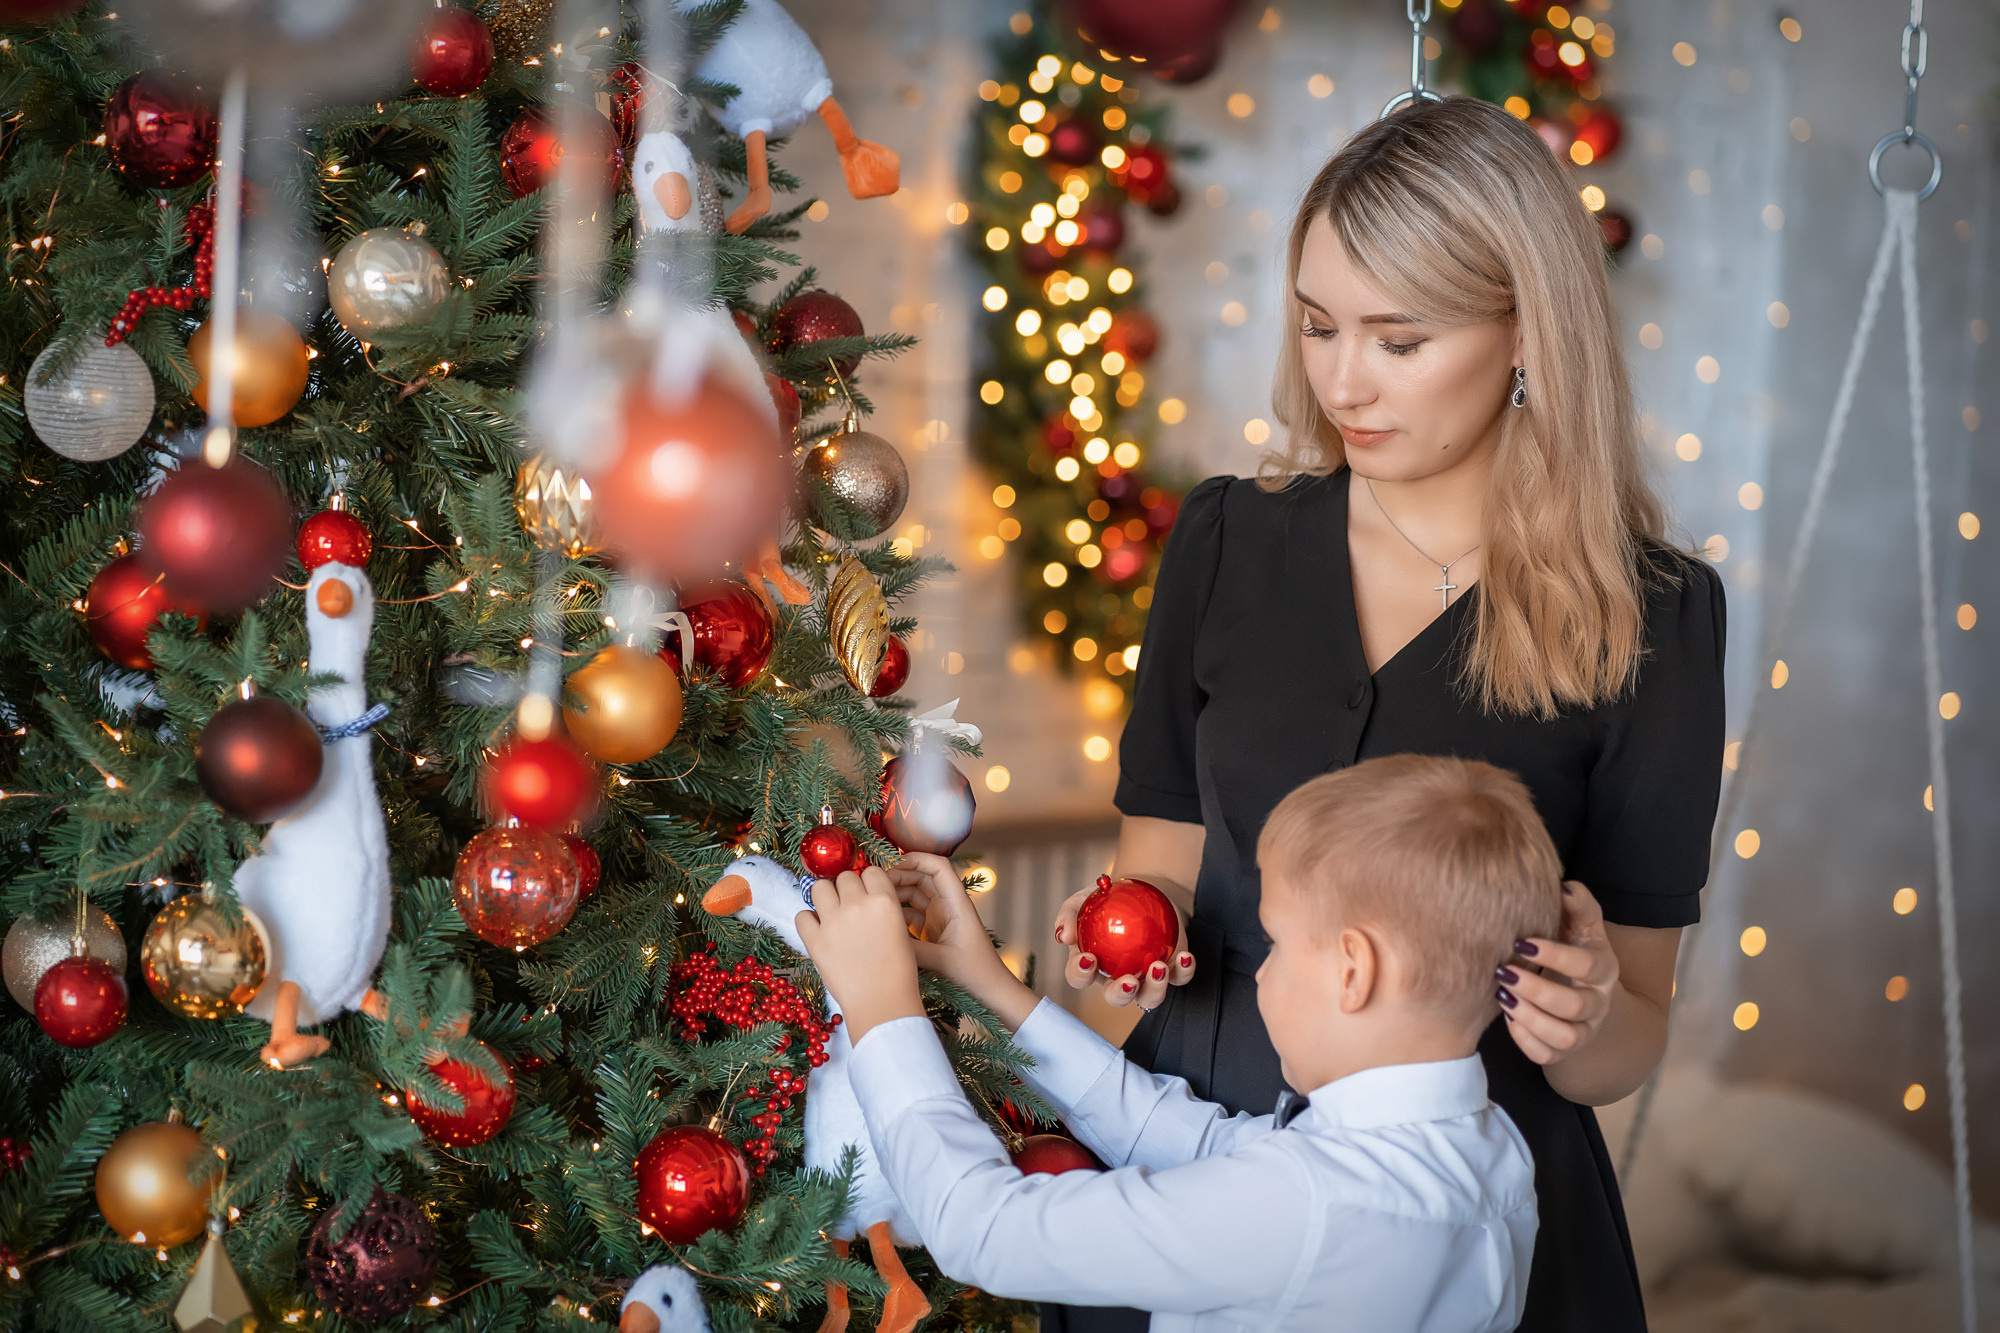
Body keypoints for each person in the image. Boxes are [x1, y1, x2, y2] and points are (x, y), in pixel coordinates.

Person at [1048, 96, 1726, 1332]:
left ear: (1525, 330)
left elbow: (1628, 1033)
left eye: (1398, 340)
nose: (1342, 381)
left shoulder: (1654, 616)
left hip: (1457, 1201)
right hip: (1186, 1159)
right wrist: (1066, 1026)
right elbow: (1151, 890)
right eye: (1317, 326)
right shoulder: (1224, 538)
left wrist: (1579, 1026)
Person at [796, 754, 1565, 1333]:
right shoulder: (1490, 1150)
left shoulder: (1311, 1202)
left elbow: (986, 1229)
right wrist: (992, 985)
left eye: (1277, 943)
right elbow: (1191, 1138)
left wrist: (884, 1009)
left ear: (1353, 970)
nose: (1262, 974)